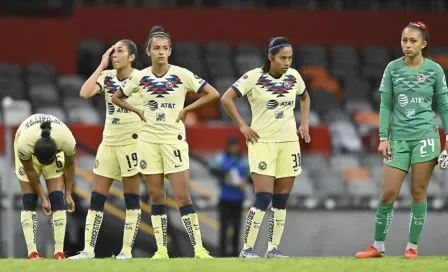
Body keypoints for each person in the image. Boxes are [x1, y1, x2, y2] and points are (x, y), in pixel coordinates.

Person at [112, 25, 220, 259]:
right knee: (156, 196)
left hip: (174, 141)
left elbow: (213, 93)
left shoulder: (182, 74)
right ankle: (161, 250)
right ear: (148, 51)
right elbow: (116, 97)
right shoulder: (139, 78)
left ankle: (199, 249)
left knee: (183, 197)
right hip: (148, 142)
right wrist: (137, 111)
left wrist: (187, 109)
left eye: (164, 48)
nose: (160, 52)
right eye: (156, 48)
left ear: (170, 51)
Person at [355, 21, 448, 259]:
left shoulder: (435, 70)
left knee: (419, 192)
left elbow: (445, 107)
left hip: (426, 136)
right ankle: (378, 246)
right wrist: (383, 137)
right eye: (404, 40)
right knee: (388, 194)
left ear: (423, 44)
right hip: (398, 139)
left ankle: (412, 247)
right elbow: (385, 105)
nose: (407, 45)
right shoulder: (393, 69)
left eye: (413, 41)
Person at [220, 36, 311, 258]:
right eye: (282, 58)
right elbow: (226, 98)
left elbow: (305, 97)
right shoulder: (254, 77)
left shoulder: (294, 76)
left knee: (281, 198)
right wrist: (242, 126)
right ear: (270, 56)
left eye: (290, 58)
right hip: (262, 143)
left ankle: (273, 249)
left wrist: (305, 123)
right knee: (263, 196)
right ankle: (247, 249)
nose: (287, 62)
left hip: (289, 143)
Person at [69, 40, 143, 260]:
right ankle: (88, 251)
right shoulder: (107, 76)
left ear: (131, 57)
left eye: (120, 51)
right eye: (112, 52)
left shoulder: (142, 78)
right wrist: (101, 65)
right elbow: (84, 93)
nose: (114, 55)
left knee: (132, 198)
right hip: (108, 143)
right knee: (96, 198)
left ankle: (127, 251)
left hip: (132, 144)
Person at [15, 114, 77, 259]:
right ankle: (32, 252)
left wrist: (68, 193)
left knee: (57, 196)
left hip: (52, 146)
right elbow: (30, 171)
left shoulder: (66, 140)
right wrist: (42, 198)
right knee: (29, 198)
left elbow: (70, 164)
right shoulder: (24, 145)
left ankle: (59, 252)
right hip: (26, 141)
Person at [209, 136, 250, 257]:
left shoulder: (244, 160)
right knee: (224, 228)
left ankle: (234, 253)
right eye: (232, 146)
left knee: (237, 228)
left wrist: (245, 182)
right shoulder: (221, 159)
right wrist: (225, 175)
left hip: (238, 198)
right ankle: (222, 253)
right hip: (224, 198)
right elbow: (212, 170)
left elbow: (251, 177)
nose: (234, 149)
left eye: (236, 146)